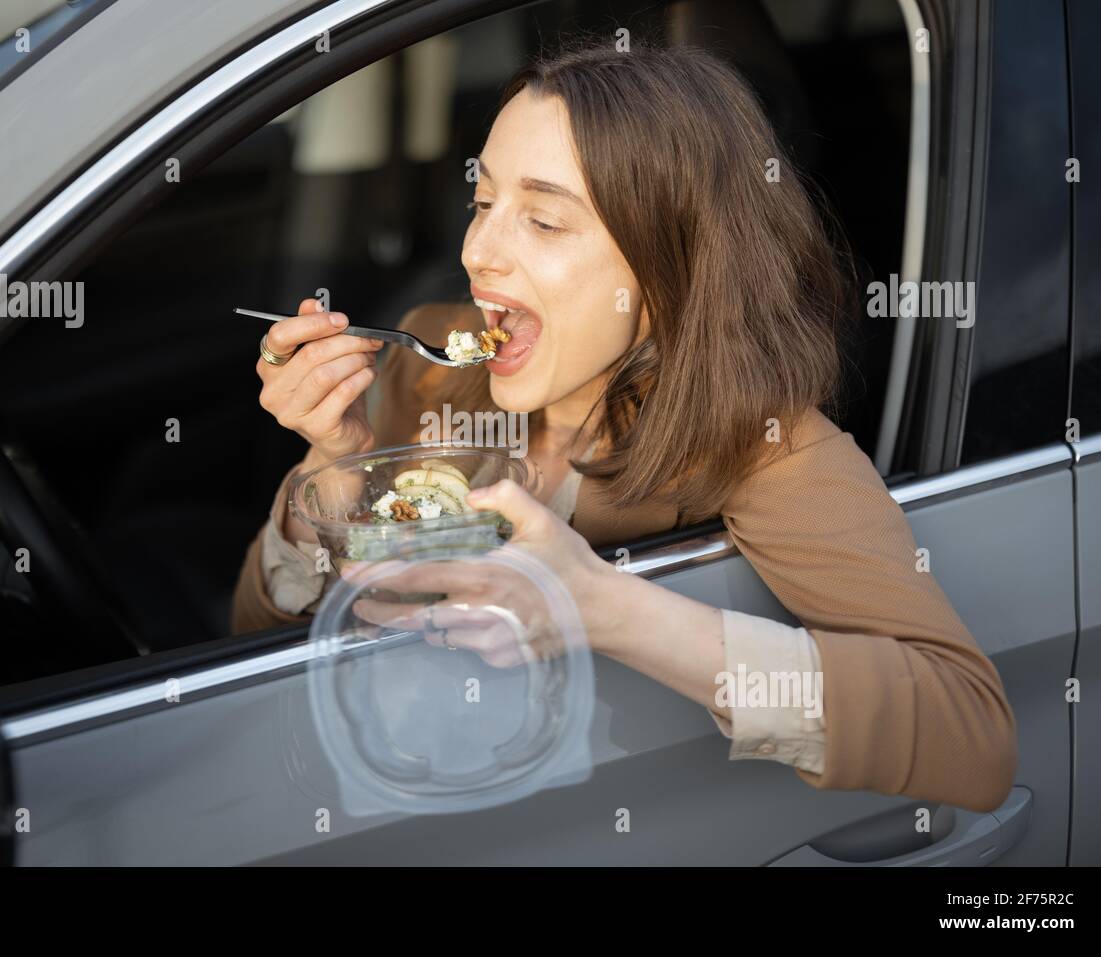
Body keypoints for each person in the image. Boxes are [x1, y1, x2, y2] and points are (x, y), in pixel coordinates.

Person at [230, 39, 1017, 812]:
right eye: (483, 202)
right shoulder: (424, 360)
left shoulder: (765, 447)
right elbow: (254, 640)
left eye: (542, 220)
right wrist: (336, 462)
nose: (478, 252)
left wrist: (601, 606)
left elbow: (975, 738)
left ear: (668, 265)